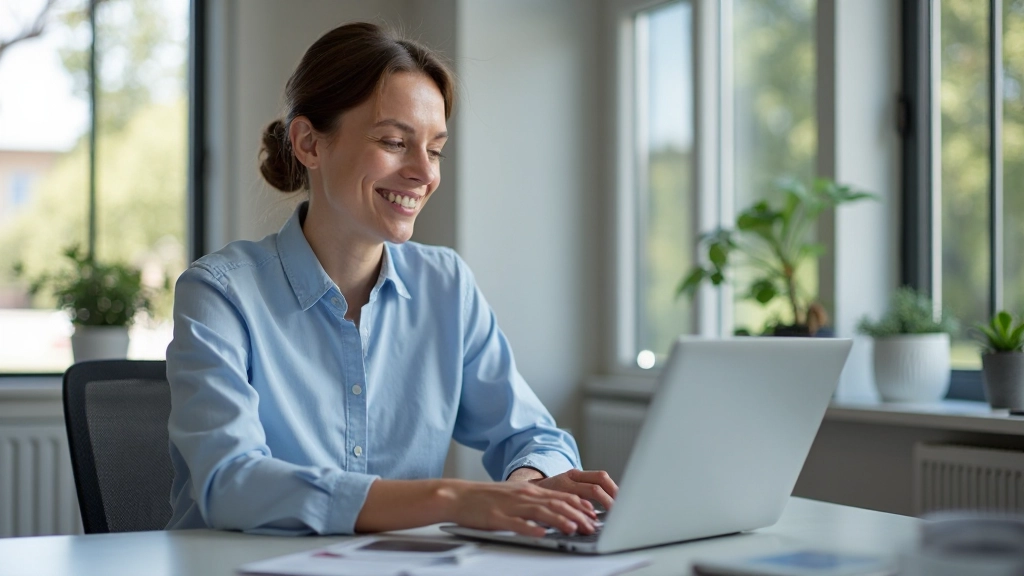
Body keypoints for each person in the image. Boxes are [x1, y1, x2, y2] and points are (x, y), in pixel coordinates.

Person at [165, 21, 616, 537]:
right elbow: (231, 483)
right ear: (309, 143)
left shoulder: (446, 286)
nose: (424, 172)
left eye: (436, 149)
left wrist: (528, 487)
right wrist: (451, 499)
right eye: (395, 141)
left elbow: (535, 435)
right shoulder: (220, 293)